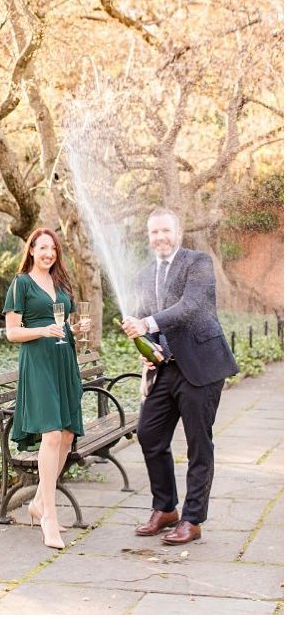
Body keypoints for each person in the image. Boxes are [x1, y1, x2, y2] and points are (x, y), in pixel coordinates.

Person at [122, 207, 237, 546]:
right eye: (154, 232)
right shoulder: (144, 275)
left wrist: (147, 324)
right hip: (166, 369)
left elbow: (190, 307)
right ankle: (165, 508)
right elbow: (146, 321)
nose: (160, 237)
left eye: (165, 231)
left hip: (201, 366)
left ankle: (192, 519)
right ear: (149, 237)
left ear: (178, 232)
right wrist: (145, 346)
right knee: (149, 434)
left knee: (198, 444)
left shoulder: (197, 262)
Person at [2, 228, 89, 549]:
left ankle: (39, 501)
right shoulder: (21, 284)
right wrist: (41, 331)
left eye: (52, 248)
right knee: (52, 435)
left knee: (67, 435)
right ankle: (49, 519)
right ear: (31, 251)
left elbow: (64, 325)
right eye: (42, 248)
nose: (48, 253)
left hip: (63, 362)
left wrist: (76, 327)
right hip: (38, 364)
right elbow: (12, 333)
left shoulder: (61, 283)